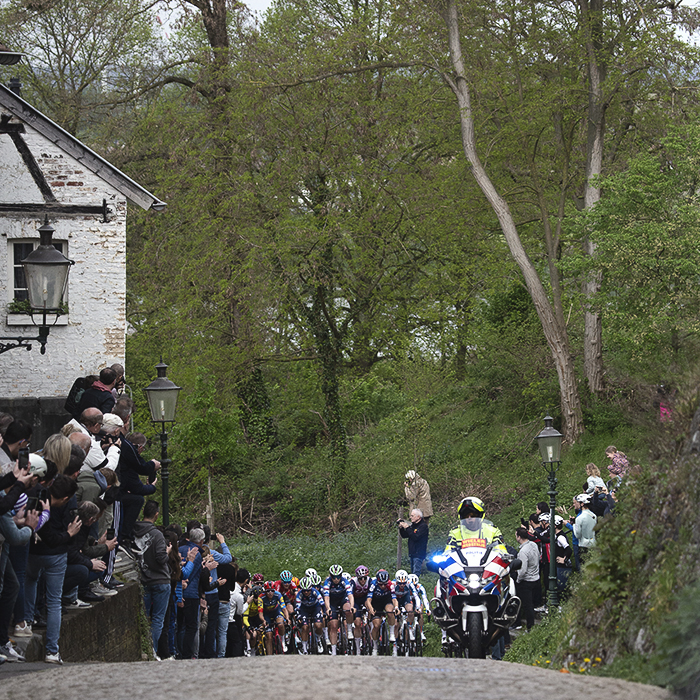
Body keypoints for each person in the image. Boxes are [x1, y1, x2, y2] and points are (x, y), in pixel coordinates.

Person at [133, 500, 172, 658]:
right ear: (156, 514)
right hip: (160, 580)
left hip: (144, 578)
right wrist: (168, 551)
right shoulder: (157, 534)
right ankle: (152, 650)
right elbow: (161, 558)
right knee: (158, 619)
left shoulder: (134, 531)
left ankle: (144, 649)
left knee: (144, 616)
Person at [366, 569, 398, 656]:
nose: (383, 586)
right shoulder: (373, 584)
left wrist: (396, 607)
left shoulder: (390, 584)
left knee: (390, 611)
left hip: (386, 600)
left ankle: (391, 633)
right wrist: (371, 608)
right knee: (376, 625)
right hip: (376, 603)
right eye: (381, 584)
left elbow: (394, 599)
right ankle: (375, 646)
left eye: (385, 584)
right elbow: (368, 600)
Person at [514, 527, 539, 630]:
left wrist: (518, 579)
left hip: (526, 581)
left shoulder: (523, 552)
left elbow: (523, 569)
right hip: (535, 578)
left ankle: (530, 627)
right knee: (531, 604)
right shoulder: (534, 544)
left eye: (516, 535)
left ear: (519, 537)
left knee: (527, 605)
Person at [398, 508, 429, 576]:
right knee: (412, 573)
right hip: (412, 553)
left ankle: (415, 586)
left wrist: (407, 528)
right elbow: (405, 535)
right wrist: (401, 528)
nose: (410, 517)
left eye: (412, 516)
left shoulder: (423, 527)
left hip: (419, 554)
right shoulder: (413, 526)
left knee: (415, 574)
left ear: (418, 517)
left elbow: (415, 537)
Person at [572, 493, 597, 562]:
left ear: (582, 504)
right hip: (593, 543)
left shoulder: (579, 518)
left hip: (583, 545)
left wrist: (574, 525)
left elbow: (578, 535)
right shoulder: (594, 516)